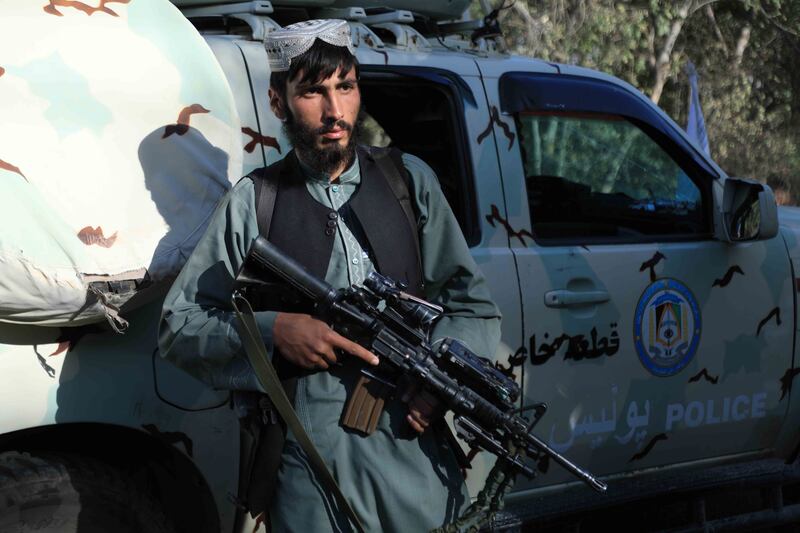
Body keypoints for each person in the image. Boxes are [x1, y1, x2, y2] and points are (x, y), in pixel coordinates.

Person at [159, 19, 501, 532]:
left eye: (346, 87)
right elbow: (180, 326)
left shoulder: (410, 183)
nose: (335, 111)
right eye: (313, 93)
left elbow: (471, 306)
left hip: (415, 460)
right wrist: (273, 330)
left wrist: (443, 383)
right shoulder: (256, 201)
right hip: (310, 468)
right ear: (278, 102)